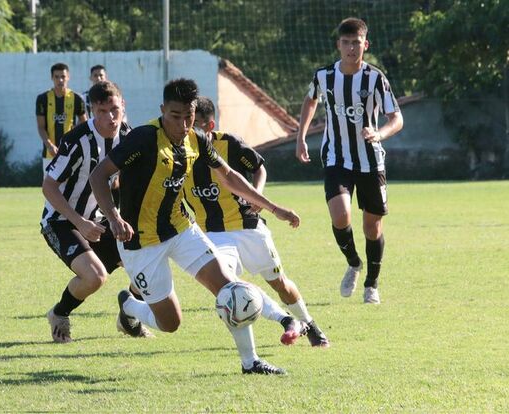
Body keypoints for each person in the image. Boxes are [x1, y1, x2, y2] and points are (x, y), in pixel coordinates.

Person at [90, 78, 308, 375]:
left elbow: (229, 176)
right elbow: (98, 176)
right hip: (140, 242)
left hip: (181, 229)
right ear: (162, 110)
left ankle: (250, 362)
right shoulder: (142, 138)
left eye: (188, 117)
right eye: (174, 116)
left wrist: (273, 207)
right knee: (171, 323)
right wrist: (114, 218)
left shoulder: (197, 139)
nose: (182, 124)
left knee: (229, 288)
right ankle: (130, 305)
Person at [185, 96, 329, 347]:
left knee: (280, 284)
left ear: (209, 126)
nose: (188, 130)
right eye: (187, 123)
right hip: (214, 233)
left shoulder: (228, 144)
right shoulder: (178, 152)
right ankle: (284, 321)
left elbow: (259, 168)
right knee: (228, 285)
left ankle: (309, 323)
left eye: (195, 124)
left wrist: (258, 196)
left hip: (249, 227)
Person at [295, 17, 404, 304]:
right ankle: (354, 263)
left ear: (365, 45)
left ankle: (372, 284)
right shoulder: (324, 76)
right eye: (346, 43)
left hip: (371, 161)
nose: (351, 48)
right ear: (338, 45)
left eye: (356, 43)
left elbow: (397, 118)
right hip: (336, 158)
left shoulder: (375, 78)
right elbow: (310, 100)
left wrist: (378, 133)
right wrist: (301, 136)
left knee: (373, 227)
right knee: (341, 215)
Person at [42, 81, 150, 343]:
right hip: (61, 221)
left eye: (114, 109)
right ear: (91, 111)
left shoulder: (129, 137)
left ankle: (128, 317)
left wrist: (119, 217)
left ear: (123, 106)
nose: (110, 117)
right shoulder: (78, 140)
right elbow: (49, 186)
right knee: (95, 277)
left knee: (147, 264)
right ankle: (59, 314)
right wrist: (79, 221)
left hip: (99, 220)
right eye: (101, 111)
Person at [36, 63, 87, 172]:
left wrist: (73, 136)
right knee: (48, 187)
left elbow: (84, 122)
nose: (60, 80)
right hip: (50, 153)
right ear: (52, 78)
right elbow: (41, 127)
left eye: (63, 76)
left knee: (70, 187)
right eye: (56, 77)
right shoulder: (43, 98)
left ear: (68, 77)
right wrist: (50, 146)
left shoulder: (77, 98)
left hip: (71, 151)